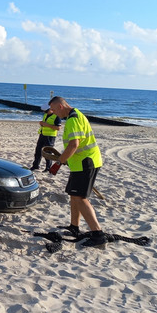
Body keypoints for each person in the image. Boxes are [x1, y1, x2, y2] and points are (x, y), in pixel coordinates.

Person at [47, 96, 106, 248]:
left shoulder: (73, 120)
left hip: (86, 163)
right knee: (74, 195)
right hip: (80, 164)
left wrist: (58, 163)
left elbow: (74, 145)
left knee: (80, 198)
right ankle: (74, 227)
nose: (53, 113)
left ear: (60, 106)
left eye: (53, 109)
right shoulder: (77, 114)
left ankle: (97, 234)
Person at [31, 105, 63, 171]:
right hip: (42, 134)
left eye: (46, 111)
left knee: (48, 152)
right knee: (38, 150)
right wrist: (42, 124)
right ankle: (35, 165)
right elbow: (45, 124)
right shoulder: (45, 115)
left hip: (50, 136)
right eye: (44, 111)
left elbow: (58, 128)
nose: (45, 112)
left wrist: (46, 125)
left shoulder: (56, 116)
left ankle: (48, 168)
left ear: (51, 109)